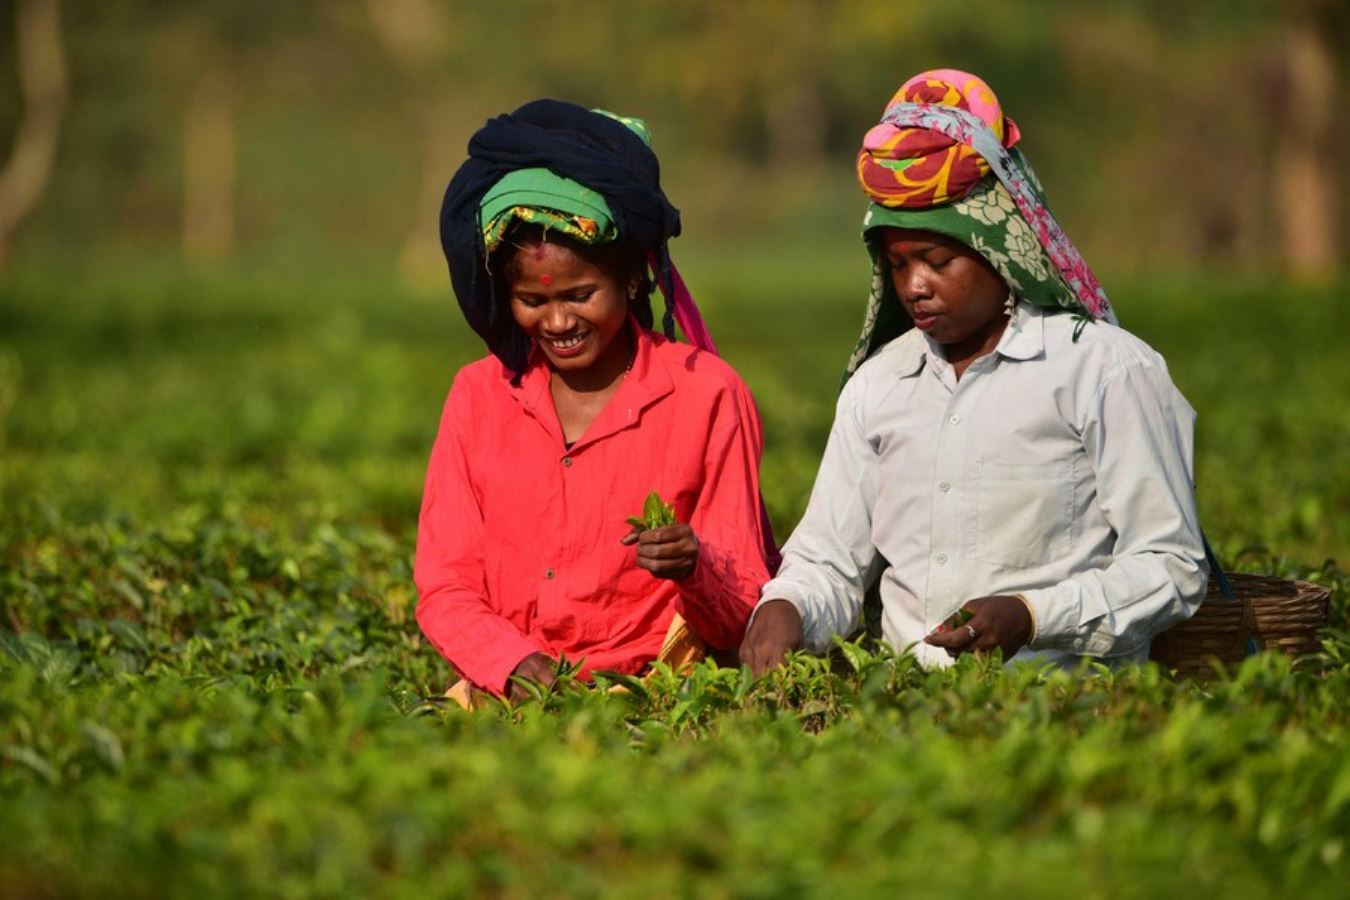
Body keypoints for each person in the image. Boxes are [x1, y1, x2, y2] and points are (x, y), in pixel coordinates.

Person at [740, 69, 1206, 674]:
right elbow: (830, 560)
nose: (915, 286)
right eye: (899, 263)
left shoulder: (1103, 371)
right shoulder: (879, 385)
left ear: (1000, 248)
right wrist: (787, 605)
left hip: (1064, 707)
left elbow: (1171, 564)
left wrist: (1034, 614)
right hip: (902, 711)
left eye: (938, 260)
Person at [417, 100, 773, 703]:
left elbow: (744, 605)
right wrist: (516, 664)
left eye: (582, 294)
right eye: (532, 301)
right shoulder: (478, 396)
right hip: (509, 685)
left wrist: (694, 566)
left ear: (633, 278)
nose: (557, 321)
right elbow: (445, 584)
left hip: (660, 694)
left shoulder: (707, 393)